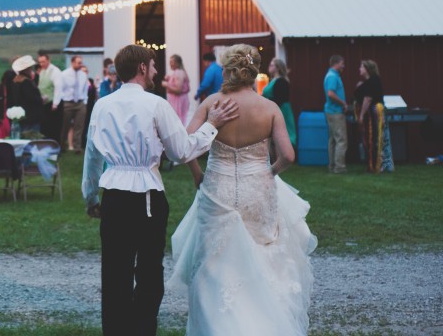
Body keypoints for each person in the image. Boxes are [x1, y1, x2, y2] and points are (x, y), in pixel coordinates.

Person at [83, 44, 239, 336]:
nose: (156, 71)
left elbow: (91, 157)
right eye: (153, 65)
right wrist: (211, 125)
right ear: (142, 68)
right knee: (149, 272)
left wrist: (91, 196)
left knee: (114, 272)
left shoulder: (102, 105)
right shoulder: (156, 105)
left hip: (113, 197)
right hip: (147, 198)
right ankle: (142, 329)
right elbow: (181, 151)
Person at [171, 44, 316, 335]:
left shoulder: (213, 102)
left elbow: (185, 147)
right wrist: (269, 172)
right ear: (254, 71)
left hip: (217, 189)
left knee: (214, 261)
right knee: (264, 258)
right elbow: (287, 155)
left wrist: (197, 174)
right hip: (256, 189)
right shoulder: (269, 108)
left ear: (226, 69)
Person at [355, 59, 393, 173]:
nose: (359, 69)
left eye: (361, 67)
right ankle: (375, 164)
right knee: (373, 139)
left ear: (367, 69)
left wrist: (361, 116)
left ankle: (377, 165)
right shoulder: (368, 82)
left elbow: (368, 99)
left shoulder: (373, 81)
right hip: (371, 114)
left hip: (374, 113)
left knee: (376, 138)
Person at [58, 55, 89, 153]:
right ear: (72, 63)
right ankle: (62, 146)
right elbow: (60, 89)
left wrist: (85, 101)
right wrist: (64, 99)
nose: (80, 64)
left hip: (80, 102)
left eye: (81, 62)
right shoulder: (64, 74)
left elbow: (85, 89)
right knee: (65, 126)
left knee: (79, 126)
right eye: (78, 62)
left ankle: (77, 148)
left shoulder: (83, 75)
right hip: (68, 103)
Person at [323, 55, 349, 174]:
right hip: (335, 112)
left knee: (333, 140)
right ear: (337, 63)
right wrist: (343, 103)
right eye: (342, 63)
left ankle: (332, 165)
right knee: (341, 140)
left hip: (331, 111)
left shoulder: (331, 75)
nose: (343, 66)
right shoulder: (333, 76)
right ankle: (339, 167)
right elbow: (330, 94)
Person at [263, 58, 296, 147]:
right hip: (274, 110)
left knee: (282, 134)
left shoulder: (281, 81)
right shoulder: (272, 80)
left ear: (278, 68)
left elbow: (279, 99)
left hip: (281, 111)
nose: (269, 66)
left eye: (272, 65)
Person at [9, 55, 43, 135]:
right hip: (31, 116)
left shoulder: (15, 81)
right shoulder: (26, 82)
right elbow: (32, 98)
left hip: (22, 115)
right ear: (27, 69)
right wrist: (41, 99)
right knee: (32, 137)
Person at [37, 53, 62, 142]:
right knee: (45, 127)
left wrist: (55, 103)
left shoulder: (55, 71)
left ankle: (55, 146)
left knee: (54, 127)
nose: (41, 64)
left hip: (52, 103)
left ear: (48, 60)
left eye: (43, 62)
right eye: (40, 62)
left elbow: (58, 87)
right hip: (44, 103)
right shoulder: (42, 71)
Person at [163, 54, 191, 126]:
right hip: (178, 101)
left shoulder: (179, 72)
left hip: (178, 102)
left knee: (177, 122)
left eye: (172, 62)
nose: (170, 64)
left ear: (177, 63)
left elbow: (178, 90)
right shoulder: (180, 72)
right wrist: (170, 79)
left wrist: (167, 84)